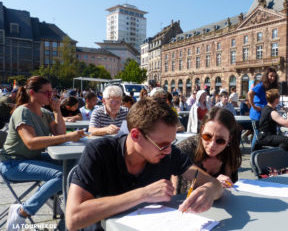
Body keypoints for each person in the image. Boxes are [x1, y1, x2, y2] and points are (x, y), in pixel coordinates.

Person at [65, 98, 223, 230]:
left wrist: (208, 190)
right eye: (162, 144)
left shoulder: (169, 154)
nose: (168, 150)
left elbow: (216, 185)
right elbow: (73, 219)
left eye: (171, 142)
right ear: (135, 135)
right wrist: (143, 194)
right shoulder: (100, 151)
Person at [0, 76, 85, 230]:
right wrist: (68, 137)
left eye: (52, 92)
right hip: (12, 163)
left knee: (74, 166)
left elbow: (59, 133)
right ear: (32, 92)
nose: (51, 96)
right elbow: (31, 142)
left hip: (32, 158)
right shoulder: (22, 112)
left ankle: (58, 201)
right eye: (46, 93)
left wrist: (57, 110)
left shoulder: (44, 112)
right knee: (61, 175)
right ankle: (22, 211)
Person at [173, 107, 242, 193]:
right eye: (207, 136)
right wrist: (214, 184)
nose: (212, 145)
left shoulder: (230, 152)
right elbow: (176, 192)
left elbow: (231, 190)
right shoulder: (184, 150)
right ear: (202, 130)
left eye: (220, 140)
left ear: (229, 139)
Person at [248, 68, 279, 151]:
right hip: (257, 114)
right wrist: (253, 106)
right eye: (271, 76)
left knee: (260, 134)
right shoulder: (261, 85)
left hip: (265, 113)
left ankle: (258, 153)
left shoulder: (271, 86)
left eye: (274, 76)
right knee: (258, 135)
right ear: (266, 76)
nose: (272, 78)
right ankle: (253, 155)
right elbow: (250, 93)